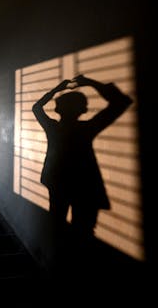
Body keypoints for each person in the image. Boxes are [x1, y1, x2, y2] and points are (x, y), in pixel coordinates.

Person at [32, 74, 133, 245]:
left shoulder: (53, 128)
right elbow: (121, 101)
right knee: (82, 232)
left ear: (57, 109)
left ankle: (58, 263)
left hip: (58, 181)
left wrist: (57, 89)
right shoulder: (87, 129)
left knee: (57, 227)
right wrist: (89, 82)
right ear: (84, 109)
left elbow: (36, 107)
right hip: (84, 185)